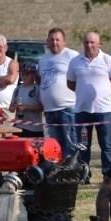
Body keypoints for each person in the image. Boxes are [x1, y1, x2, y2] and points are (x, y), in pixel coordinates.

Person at [66, 32, 111, 181]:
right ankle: (84, 175)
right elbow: (71, 83)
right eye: (86, 42)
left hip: (103, 111)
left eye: (92, 42)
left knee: (107, 145)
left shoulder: (108, 60)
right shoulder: (75, 61)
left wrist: (105, 94)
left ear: (99, 43)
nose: (89, 45)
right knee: (83, 147)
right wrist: (83, 92)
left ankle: (108, 174)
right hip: (82, 111)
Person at [37, 28, 79, 159]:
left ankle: (74, 170)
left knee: (70, 143)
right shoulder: (43, 59)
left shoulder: (72, 56)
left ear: (64, 41)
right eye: (51, 40)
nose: (54, 42)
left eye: (57, 40)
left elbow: (80, 77)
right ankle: (60, 172)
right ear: (47, 42)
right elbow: (39, 78)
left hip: (67, 107)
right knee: (56, 145)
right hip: (49, 110)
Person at [8, 61, 43, 137]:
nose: (24, 76)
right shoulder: (17, 89)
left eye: (27, 74)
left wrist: (26, 107)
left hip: (35, 128)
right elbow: (10, 108)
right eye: (22, 74)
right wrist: (13, 107)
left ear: (33, 74)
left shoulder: (38, 88)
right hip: (19, 127)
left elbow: (41, 107)